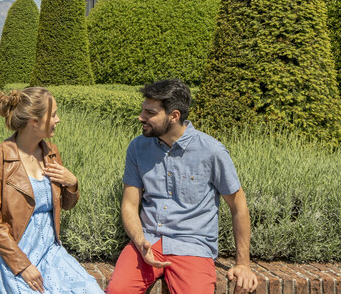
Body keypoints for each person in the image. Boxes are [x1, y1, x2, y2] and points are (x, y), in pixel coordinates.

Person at [106, 79, 258, 294]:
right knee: (117, 291)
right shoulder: (138, 147)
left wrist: (243, 264)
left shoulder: (212, 151)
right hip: (148, 240)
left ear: (174, 116)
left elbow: (239, 206)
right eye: (143, 110)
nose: (141, 117)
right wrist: (141, 243)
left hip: (192, 246)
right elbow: (129, 205)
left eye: (150, 112)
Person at [0, 87, 104, 294]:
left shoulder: (51, 153)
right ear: (34, 122)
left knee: (90, 289)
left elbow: (64, 204)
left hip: (51, 250)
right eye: (53, 114)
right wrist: (23, 265)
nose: (58, 119)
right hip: (15, 252)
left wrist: (72, 183)